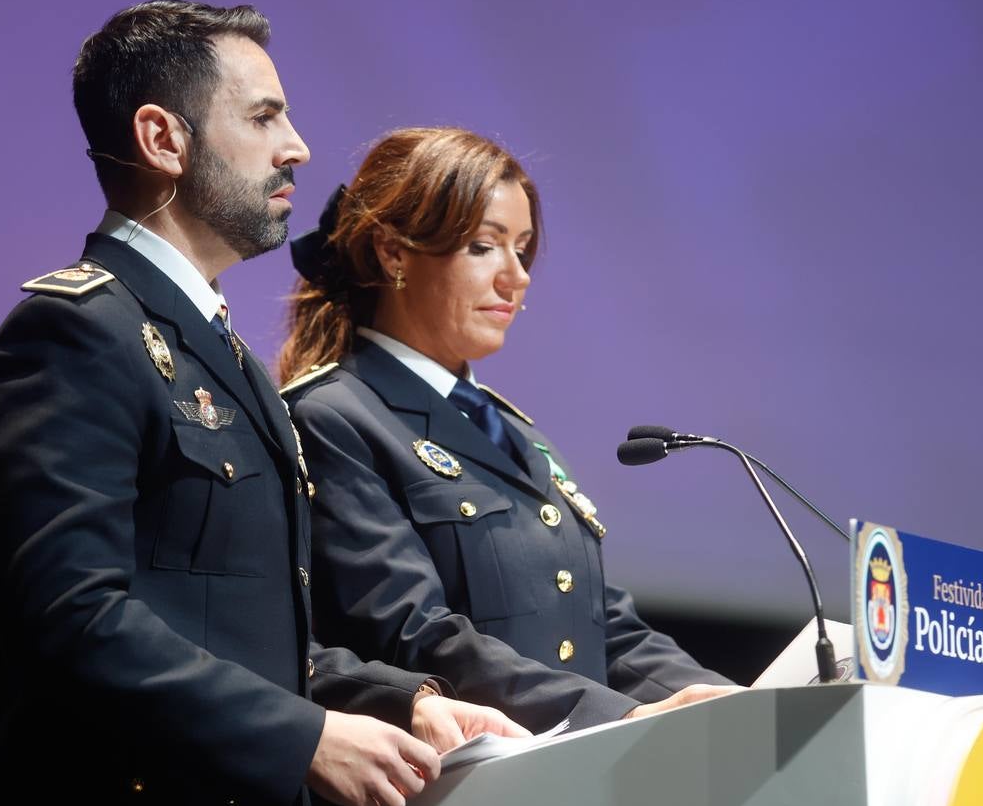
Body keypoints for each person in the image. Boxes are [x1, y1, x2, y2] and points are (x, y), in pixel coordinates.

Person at [0, 4, 522, 806]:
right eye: (263, 117)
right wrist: (302, 739)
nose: (296, 146)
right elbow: (71, 623)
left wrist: (402, 699)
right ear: (163, 139)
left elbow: (244, 632)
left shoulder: (223, 355)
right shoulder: (75, 332)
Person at [277, 127, 741, 739]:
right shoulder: (334, 415)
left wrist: (731, 705)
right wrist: (618, 717)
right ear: (393, 254)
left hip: (568, 778)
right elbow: (414, 634)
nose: (515, 277)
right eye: (483, 247)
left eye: (521, 250)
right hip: (453, 793)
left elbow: (608, 628)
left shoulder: (510, 429)